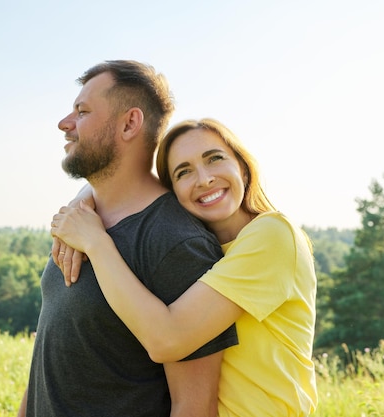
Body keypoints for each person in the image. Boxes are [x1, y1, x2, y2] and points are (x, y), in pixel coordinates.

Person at [51, 118, 318, 416]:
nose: (204, 179)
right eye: (184, 172)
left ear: (242, 166)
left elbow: (168, 340)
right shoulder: (201, 250)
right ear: (173, 192)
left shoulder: (273, 235)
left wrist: (95, 242)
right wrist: (83, 199)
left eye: (214, 158)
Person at [17, 62, 237, 417]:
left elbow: (193, 405)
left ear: (130, 123)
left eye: (82, 111)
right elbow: (50, 354)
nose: (64, 124)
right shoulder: (78, 224)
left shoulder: (175, 242)